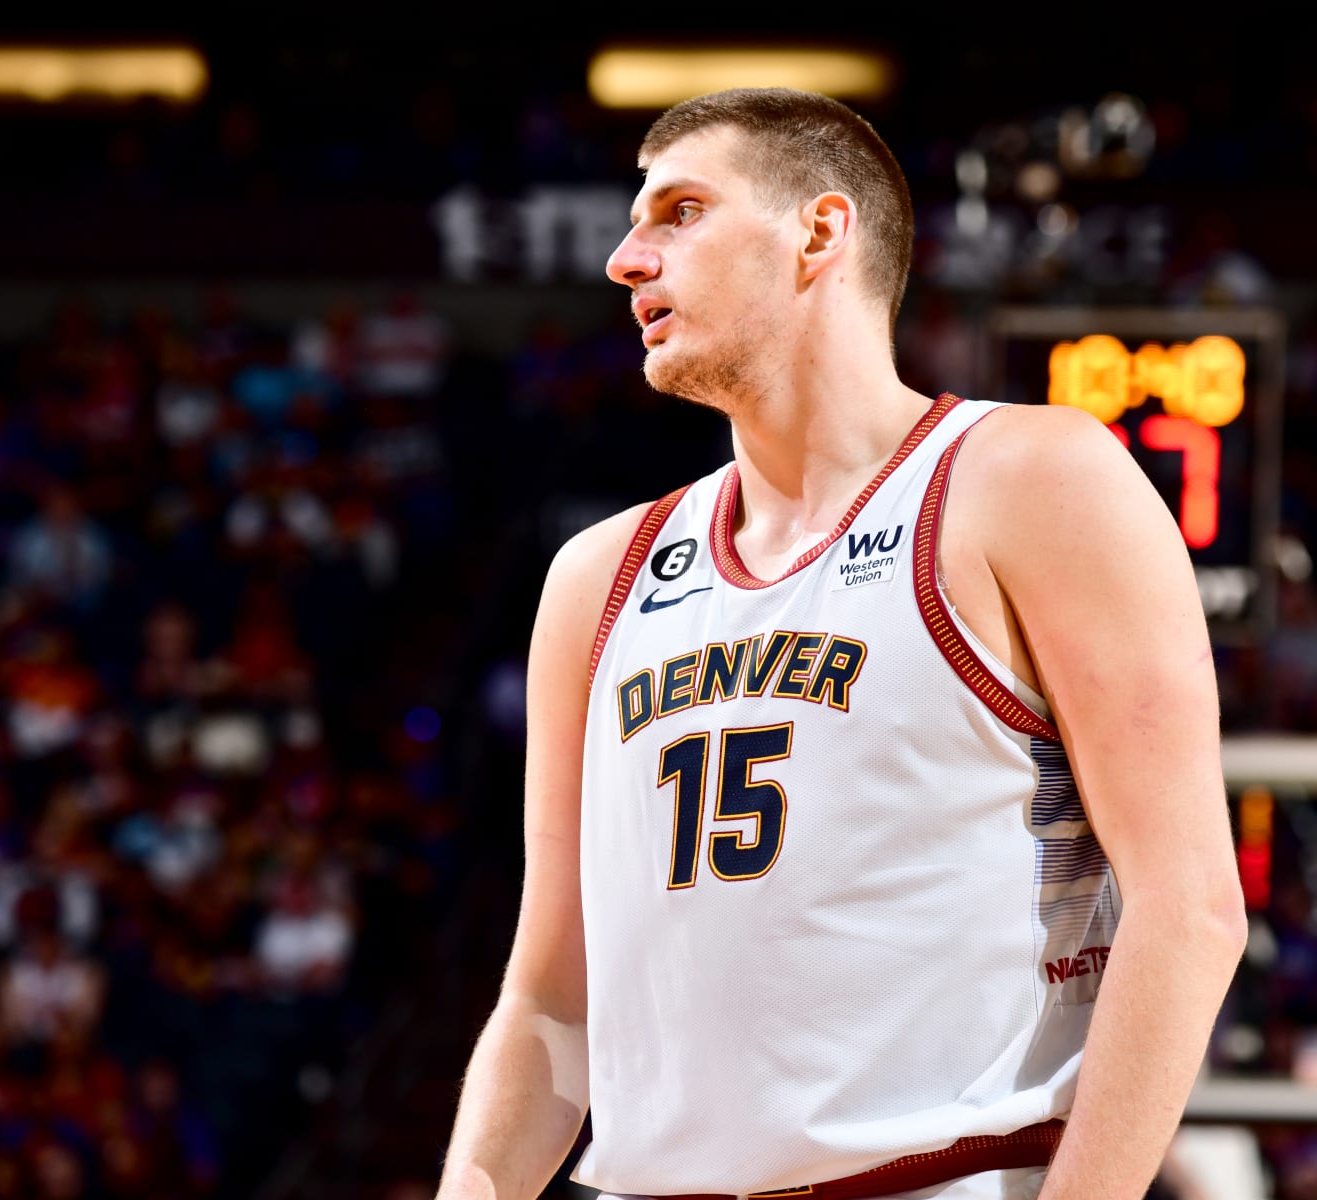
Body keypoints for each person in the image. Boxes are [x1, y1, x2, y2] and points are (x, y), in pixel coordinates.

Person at [437, 88, 1245, 1200]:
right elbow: (549, 1002)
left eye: (679, 212)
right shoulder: (596, 577)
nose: (627, 258)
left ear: (818, 232)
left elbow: (1190, 904)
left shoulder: (1027, 481)